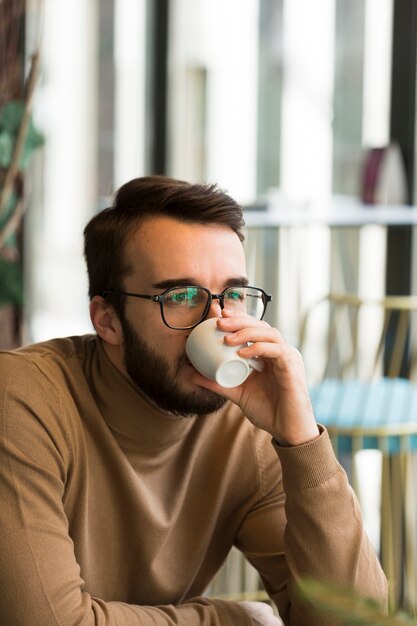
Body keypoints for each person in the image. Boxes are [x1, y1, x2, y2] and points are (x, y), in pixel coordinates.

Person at [0, 175, 387, 626]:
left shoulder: (248, 423)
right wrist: (238, 620)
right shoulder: (21, 400)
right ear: (107, 320)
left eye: (234, 295)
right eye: (182, 296)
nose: (218, 324)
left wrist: (301, 440)